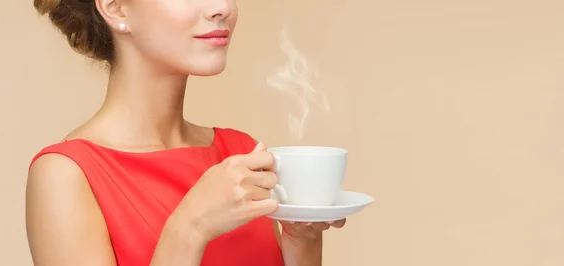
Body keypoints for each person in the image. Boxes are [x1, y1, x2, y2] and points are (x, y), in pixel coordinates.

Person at [25, 0, 347, 265]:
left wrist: (302, 240)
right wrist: (189, 228)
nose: (221, 8)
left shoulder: (240, 153)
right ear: (116, 7)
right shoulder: (66, 176)